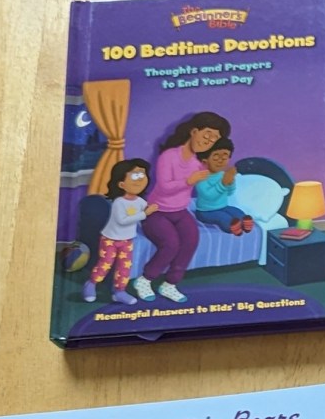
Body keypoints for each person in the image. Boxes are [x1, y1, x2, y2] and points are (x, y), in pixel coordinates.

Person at [137, 111, 231, 303]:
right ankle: (145, 280)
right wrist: (189, 180)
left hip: (180, 211)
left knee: (191, 240)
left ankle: (170, 284)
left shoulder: (198, 163)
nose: (208, 141)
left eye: (214, 139)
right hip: (157, 212)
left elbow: (208, 184)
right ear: (194, 131)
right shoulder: (169, 156)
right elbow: (164, 187)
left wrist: (224, 180)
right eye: (207, 135)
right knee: (171, 244)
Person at [84, 159, 155, 304]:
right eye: (135, 176)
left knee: (124, 268)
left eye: (143, 175)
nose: (140, 180)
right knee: (105, 265)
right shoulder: (119, 202)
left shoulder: (140, 201)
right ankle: (91, 284)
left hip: (127, 240)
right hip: (110, 239)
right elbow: (123, 220)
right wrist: (145, 214)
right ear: (121, 184)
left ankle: (119, 292)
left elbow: (148, 211)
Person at [193, 139, 253, 235]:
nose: (220, 161)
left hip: (223, 207)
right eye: (216, 157)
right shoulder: (201, 177)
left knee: (237, 212)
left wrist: (231, 182)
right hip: (205, 211)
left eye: (225, 157)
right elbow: (209, 195)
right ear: (204, 161)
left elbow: (229, 192)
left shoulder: (222, 174)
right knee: (222, 218)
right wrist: (223, 183)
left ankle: (244, 225)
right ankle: (232, 227)